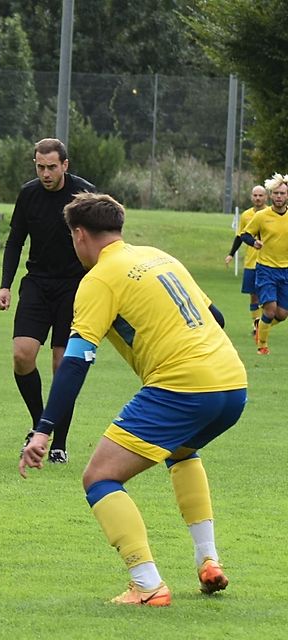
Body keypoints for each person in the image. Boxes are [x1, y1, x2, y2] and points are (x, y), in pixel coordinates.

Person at [20, 192, 247, 606]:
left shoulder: (99, 279)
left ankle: (147, 584)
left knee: (99, 477)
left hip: (182, 386)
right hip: (232, 383)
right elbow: (217, 318)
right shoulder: (159, 256)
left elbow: (74, 362)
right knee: (181, 450)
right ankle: (208, 560)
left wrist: (44, 428)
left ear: (80, 234)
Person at [0, 138, 95, 464]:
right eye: (40, 167)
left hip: (75, 287)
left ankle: (59, 443)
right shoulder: (29, 194)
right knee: (22, 356)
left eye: (52, 167)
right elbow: (14, 242)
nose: (46, 173)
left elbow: (102, 242)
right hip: (37, 284)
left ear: (65, 165)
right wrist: (5, 286)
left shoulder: (84, 195)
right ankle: (41, 425)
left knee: (62, 365)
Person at [240, 173, 288, 355]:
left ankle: (260, 325)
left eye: (282, 193)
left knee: (282, 314)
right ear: (271, 195)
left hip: (286, 270)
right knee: (270, 309)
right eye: (275, 193)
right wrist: (254, 243)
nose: (278, 196)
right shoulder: (262, 216)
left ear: (287, 195)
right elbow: (244, 234)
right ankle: (262, 345)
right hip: (266, 269)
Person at [224, 184, 267, 337]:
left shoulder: (271, 214)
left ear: (266, 197)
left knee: (266, 295)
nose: (257, 198)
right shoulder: (246, 215)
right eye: (255, 195)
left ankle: (263, 323)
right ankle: (256, 325)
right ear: (251, 197)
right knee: (253, 295)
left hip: (268, 262)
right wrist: (231, 254)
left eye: (260, 195)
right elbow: (240, 236)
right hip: (251, 262)